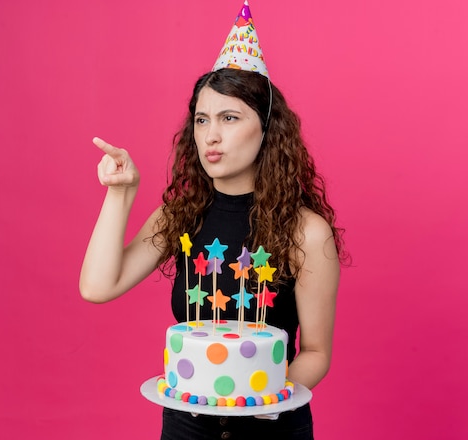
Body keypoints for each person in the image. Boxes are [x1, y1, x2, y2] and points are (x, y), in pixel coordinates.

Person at [80, 3, 344, 439]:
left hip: (272, 430)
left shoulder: (306, 232)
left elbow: (316, 351)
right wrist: (120, 193)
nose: (211, 136)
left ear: (267, 131)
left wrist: (261, 399)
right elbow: (97, 286)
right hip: (187, 428)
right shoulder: (181, 213)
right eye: (202, 120)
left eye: (229, 118)